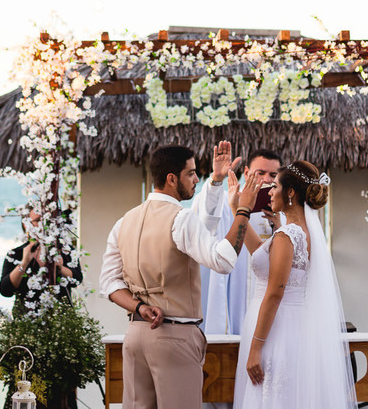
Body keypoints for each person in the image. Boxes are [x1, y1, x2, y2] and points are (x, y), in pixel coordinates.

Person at [99, 141, 255, 409]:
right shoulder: (180, 218)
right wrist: (243, 210)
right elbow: (222, 260)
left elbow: (109, 284)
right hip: (175, 336)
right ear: (172, 179)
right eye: (191, 173)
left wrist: (140, 307)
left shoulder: (123, 222)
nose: (197, 179)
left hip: (135, 334)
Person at [230, 160, 357, 408]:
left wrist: (255, 349)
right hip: (288, 326)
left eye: (275, 186)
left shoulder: (288, 235)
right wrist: (239, 210)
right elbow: (259, 253)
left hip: (275, 332)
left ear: (290, 193)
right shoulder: (297, 231)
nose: (270, 192)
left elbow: (275, 292)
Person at [200, 148, 282, 335]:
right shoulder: (229, 202)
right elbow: (207, 218)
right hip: (235, 288)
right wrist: (217, 180)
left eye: (273, 175)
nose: (267, 180)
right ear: (246, 173)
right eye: (260, 173)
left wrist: (277, 225)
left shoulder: (282, 212)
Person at [0, 207, 82, 316]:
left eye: (46, 220)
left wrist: (61, 268)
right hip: (26, 320)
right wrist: (24, 263)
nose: (43, 225)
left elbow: (77, 279)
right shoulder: (15, 254)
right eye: (37, 220)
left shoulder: (65, 250)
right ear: (26, 225)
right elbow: (5, 290)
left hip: (61, 318)